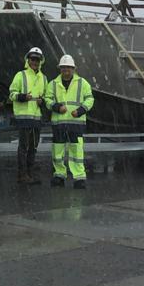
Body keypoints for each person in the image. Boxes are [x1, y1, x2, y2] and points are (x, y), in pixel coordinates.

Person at [43, 54, 94, 188]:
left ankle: (79, 178)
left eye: (69, 67)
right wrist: (57, 107)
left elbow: (90, 99)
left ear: (74, 69)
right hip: (59, 123)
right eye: (64, 67)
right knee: (57, 151)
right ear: (60, 68)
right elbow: (47, 99)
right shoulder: (52, 84)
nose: (66, 70)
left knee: (76, 151)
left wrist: (81, 110)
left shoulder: (83, 83)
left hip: (76, 123)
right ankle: (59, 175)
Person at [8, 46, 47, 185]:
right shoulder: (20, 75)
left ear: (41, 61)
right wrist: (22, 97)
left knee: (33, 147)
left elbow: (46, 96)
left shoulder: (44, 78)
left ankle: (30, 174)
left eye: (37, 59)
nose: (35, 62)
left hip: (36, 118)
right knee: (23, 147)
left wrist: (43, 102)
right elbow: (12, 94)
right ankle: (22, 175)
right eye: (33, 59)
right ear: (28, 60)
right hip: (24, 117)